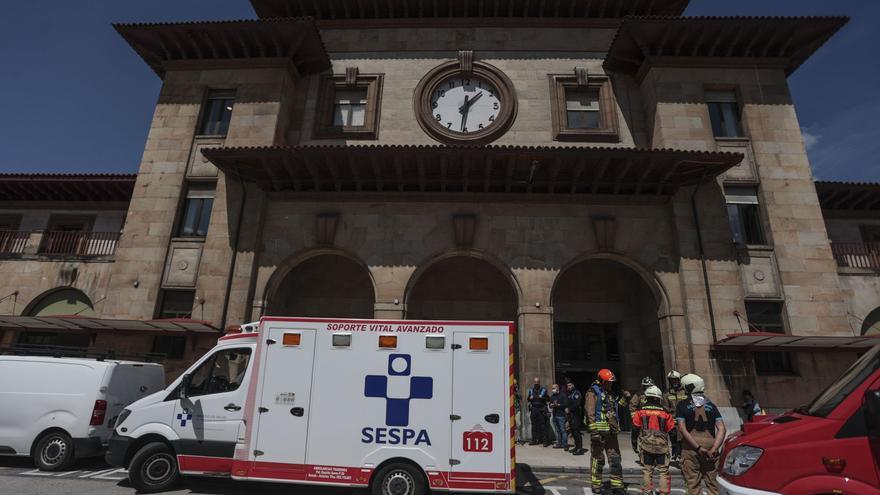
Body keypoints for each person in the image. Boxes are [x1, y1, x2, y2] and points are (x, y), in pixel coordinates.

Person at [676, 374, 726, 495]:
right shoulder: (712, 405)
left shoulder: (682, 405)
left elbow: (682, 429)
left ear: (688, 387)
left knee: (693, 484)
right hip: (711, 446)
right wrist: (714, 448)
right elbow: (722, 429)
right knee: (713, 484)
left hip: (691, 448)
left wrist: (698, 448)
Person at [585, 369, 624, 495]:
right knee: (598, 459)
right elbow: (589, 412)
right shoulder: (592, 393)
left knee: (616, 459)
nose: (610, 384)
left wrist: (625, 398)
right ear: (601, 381)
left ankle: (617, 486)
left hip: (611, 433)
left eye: (611, 382)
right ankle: (596, 486)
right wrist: (594, 431)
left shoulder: (610, 393)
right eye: (608, 382)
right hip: (599, 433)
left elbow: (616, 408)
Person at [633, 386, 675, 495]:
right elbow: (672, 430)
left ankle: (647, 491)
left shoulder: (640, 412)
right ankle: (663, 493)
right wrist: (675, 445)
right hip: (661, 445)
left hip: (646, 444)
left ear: (647, 397)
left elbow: (635, 428)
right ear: (658, 398)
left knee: (647, 470)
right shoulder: (665, 413)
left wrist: (633, 442)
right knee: (663, 472)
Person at [663, 371, 687, 462]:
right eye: (672, 380)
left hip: (684, 421)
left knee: (683, 440)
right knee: (674, 439)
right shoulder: (667, 393)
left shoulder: (685, 392)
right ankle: (675, 453)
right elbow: (665, 407)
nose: (674, 382)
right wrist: (672, 412)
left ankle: (682, 456)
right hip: (672, 421)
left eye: (675, 380)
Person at [629, 376, 655, 456]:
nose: (648, 388)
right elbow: (632, 406)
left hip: (653, 419)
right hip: (642, 420)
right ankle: (644, 456)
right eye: (646, 386)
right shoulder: (639, 395)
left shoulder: (656, 393)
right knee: (643, 438)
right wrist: (635, 418)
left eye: (649, 386)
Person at [527, 376, 550, 446]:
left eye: (537, 382)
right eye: (535, 382)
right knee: (534, 425)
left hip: (541, 409)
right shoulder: (531, 390)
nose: (536, 383)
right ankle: (534, 440)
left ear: (539, 382)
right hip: (534, 409)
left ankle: (545, 441)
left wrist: (542, 397)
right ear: (533, 383)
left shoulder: (543, 390)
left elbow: (548, 399)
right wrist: (529, 398)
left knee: (543, 425)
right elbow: (528, 399)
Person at [565, 378, 585, 455]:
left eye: (570, 385)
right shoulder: (570, 393)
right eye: (568, 386)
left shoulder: (576, 393)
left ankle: (580, 449)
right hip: (571, 415)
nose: (569, 387)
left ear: (573, 385)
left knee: (576, 432)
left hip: (576, 415)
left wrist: (569, 409)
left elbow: (577, 404)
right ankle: (576, 447)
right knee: (573, 432)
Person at [549, 383, 568, 449]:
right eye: (552, 388)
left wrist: (558, 405)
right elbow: (550, 405)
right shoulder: (552, 396)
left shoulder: (563, 395)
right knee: (557, 430)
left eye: (554, 388)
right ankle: (559, 443)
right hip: (554, 415)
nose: (553, 390)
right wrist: (551, 405)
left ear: (557, 388)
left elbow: (565, 404)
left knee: (563, 430)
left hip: (561, 415)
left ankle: (565, 445)